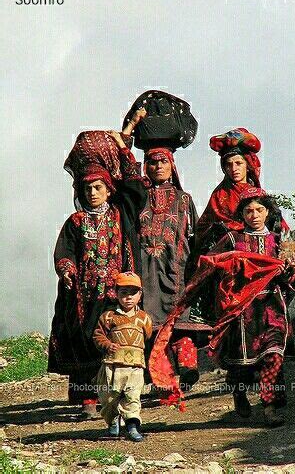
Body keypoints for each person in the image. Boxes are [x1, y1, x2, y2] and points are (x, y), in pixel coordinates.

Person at [149, 191, 295, 426]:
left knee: (273, 355)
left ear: (268, 212)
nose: (254, 215)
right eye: (248, 211)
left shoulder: (281, 241)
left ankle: (270, 408)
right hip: (241, 309)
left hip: (272, 306)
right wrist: (232, 270)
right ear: (241, 214)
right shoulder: (232, 240)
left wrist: (290, 271)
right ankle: (239, 392)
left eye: (259, 210)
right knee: (242, 359)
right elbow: (210, 264)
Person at [48, 126, 146, 420]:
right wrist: (66, 270)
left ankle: (119, 399)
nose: (92, 193)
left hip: (116, 294)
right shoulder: (75, 221)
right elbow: (64, 252)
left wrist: (124, 149)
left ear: (108, 189)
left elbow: (137, 189)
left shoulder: (121, 213)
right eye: (87, 188)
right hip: (83, 295)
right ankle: (87, 399)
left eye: (98, 187)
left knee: (113, 342)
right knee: (83, 342)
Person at [140, 147, 209, 388]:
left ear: (172, 166)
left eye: (163, 162)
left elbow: (196, 236)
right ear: (145, 166)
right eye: (152, 162)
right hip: (146, 271)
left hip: (177, 267)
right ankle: (163, 380)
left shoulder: (184, 199)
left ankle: (188, 367)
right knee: (151, 325)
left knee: (181, 319)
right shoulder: (139, 198)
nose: (158, 167)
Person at [195, 128, 288, 253]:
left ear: (248, 165)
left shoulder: (259, 195)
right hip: (228, 252)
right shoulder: (219, 195)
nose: (234, 168)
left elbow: (279, 228)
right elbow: (203, 230)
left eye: (238, 163)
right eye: (229, 164)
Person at [93, 272, 152, 441]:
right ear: (116, 294)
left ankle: (133, 426)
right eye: (123, 293)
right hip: (112, 365)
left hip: (135, 365)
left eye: (133, 293)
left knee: (133, 396)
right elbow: (98, 336)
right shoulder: (108, 317)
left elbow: (147, 337)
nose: (128, 297)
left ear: (140, 295)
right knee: (109, 397)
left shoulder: (144, 319)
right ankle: (113, 422)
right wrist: (107, 344)